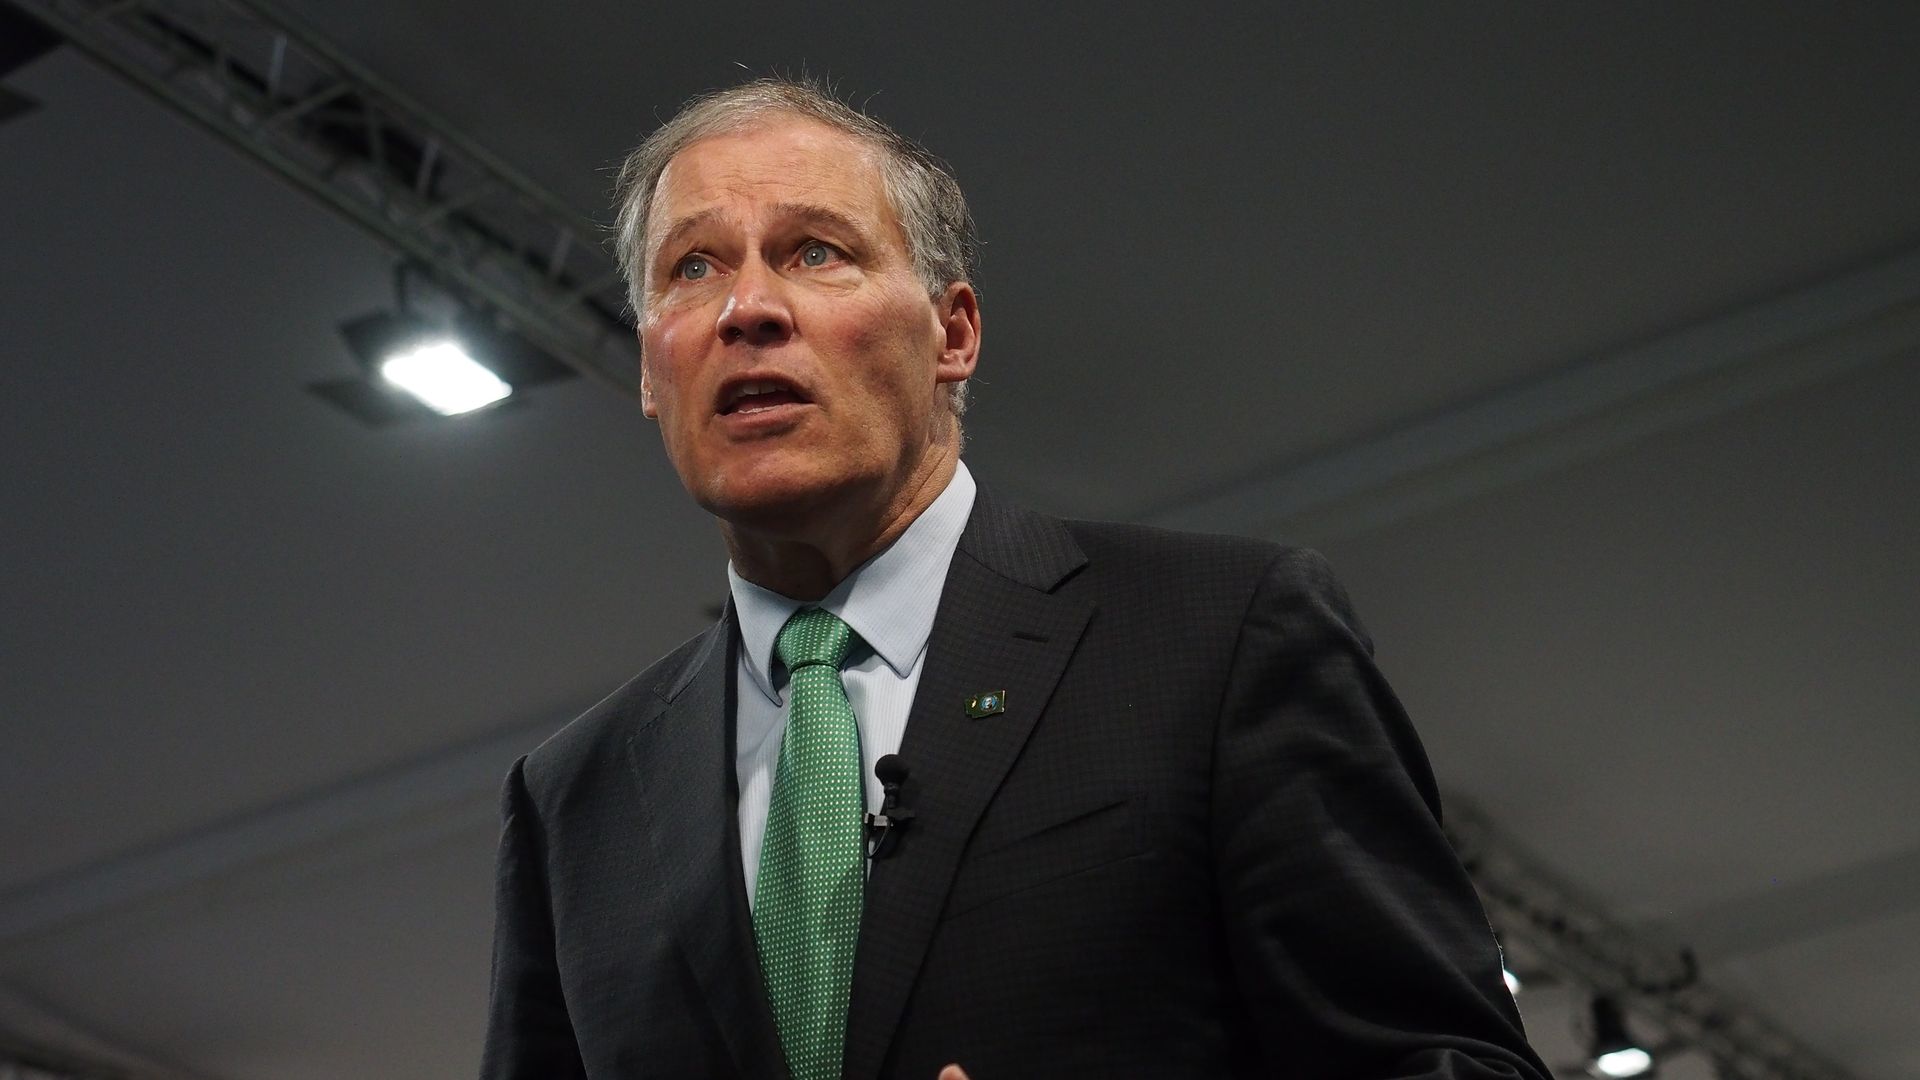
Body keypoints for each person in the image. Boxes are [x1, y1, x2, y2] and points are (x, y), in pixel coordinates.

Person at [479, 77, 1549, 1080]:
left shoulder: (1219, 639)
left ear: (953, 334)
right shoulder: (574, 797)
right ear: (650, 372)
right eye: (692, 268)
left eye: (815, 251)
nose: (745, 307)